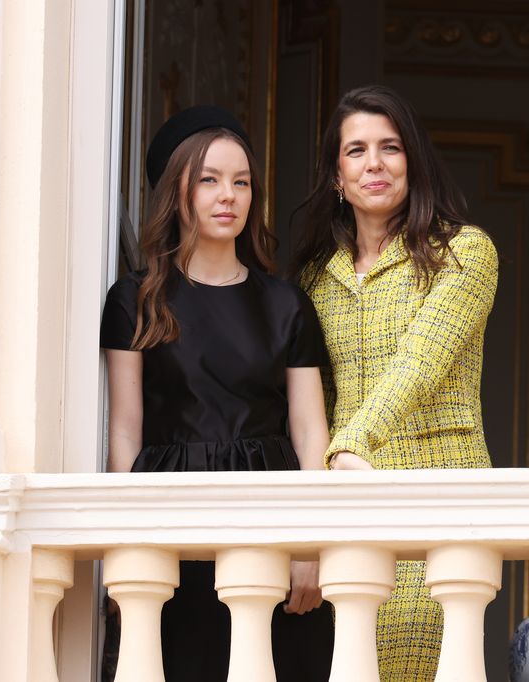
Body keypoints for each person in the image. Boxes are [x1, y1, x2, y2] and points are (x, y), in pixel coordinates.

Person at [100, 105, 334, 681]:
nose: (227, 195)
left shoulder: (287, 304)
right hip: (170, 518)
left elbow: (309, 432)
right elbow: (125, 430)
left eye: (241, 182)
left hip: (272, 513)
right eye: (208, 180)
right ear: (176, 191)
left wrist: (310, 546)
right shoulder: (135, 299)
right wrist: (124, 546)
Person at [289, 85, 499, 681]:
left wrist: (351, 448)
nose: (374, 163)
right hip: (343, 504)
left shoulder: (464, 253)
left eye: (391, 147)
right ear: (336, 174)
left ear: (414, 162)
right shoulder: (314, 277)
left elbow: (419, 362)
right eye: (356, 151)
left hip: (438, 497)